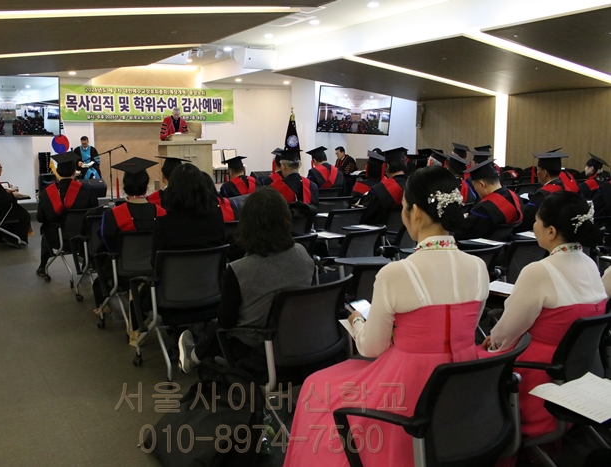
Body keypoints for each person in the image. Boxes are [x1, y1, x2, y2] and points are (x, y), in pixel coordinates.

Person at [284, 166, 489, 467]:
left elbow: (372, 348)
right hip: (465, 383)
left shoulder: (397, 273)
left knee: (317, 388)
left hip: (409, 388)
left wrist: (356, 321)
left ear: (415, 213)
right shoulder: (478, 267)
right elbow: (468, 326)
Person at [483, 192, 605, 442]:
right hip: (579, 367)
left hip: (537, 373)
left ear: (551, 231)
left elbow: (508, 331)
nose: (534, 225)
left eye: (537, 220)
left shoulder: (539, 271)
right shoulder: (590, 264)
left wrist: (492, 343)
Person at [177, 187, 315, 373]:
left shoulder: (239, 270)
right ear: (286, 219)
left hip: (255, 347)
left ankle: (193, 357)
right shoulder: (303, 254)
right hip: (299, 339)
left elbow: (226, 322)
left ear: (247, 224)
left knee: (216, 328)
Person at [93, 157, 165, 310]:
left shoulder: (112, 215)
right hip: (155, 268)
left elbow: (107, 242)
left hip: (123, 269)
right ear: (147, 187)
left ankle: (104, 307)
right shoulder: (161, 213)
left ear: (124, 187)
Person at [36, 152, 99, 276]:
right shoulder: (87, 190)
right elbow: (95, 212)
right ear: (74, 171)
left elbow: (40, 218)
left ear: (58, 172)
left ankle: (43, 266)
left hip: (57, 239)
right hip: (83, 238)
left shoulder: (46, 193)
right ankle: (88, 262)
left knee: (46, 229)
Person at [151, 163, 226, 265]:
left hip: (175, 275)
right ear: (202, 188)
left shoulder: (163, 224)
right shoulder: (216, 217)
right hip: (210, 274)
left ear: (172, 190)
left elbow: (155, 262)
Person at [455, 159, 523, 240]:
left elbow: (463, 233)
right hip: (504, 245)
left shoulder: (484, 208)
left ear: (482, 184)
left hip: (480, 246)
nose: (475, 189)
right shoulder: (516, 198)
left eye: (474, 186)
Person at [517, 152, 580, 232]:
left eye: (538, 170)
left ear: (544, 173)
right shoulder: (566, 189)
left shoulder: (542, 194)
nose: (536, 173)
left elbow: (527, 219)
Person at [361, 147, 409, 225]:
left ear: (387, 166)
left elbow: (367, 218)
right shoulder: (414, 185)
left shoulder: (380, 190)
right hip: (408, 231)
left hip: (383, 230)